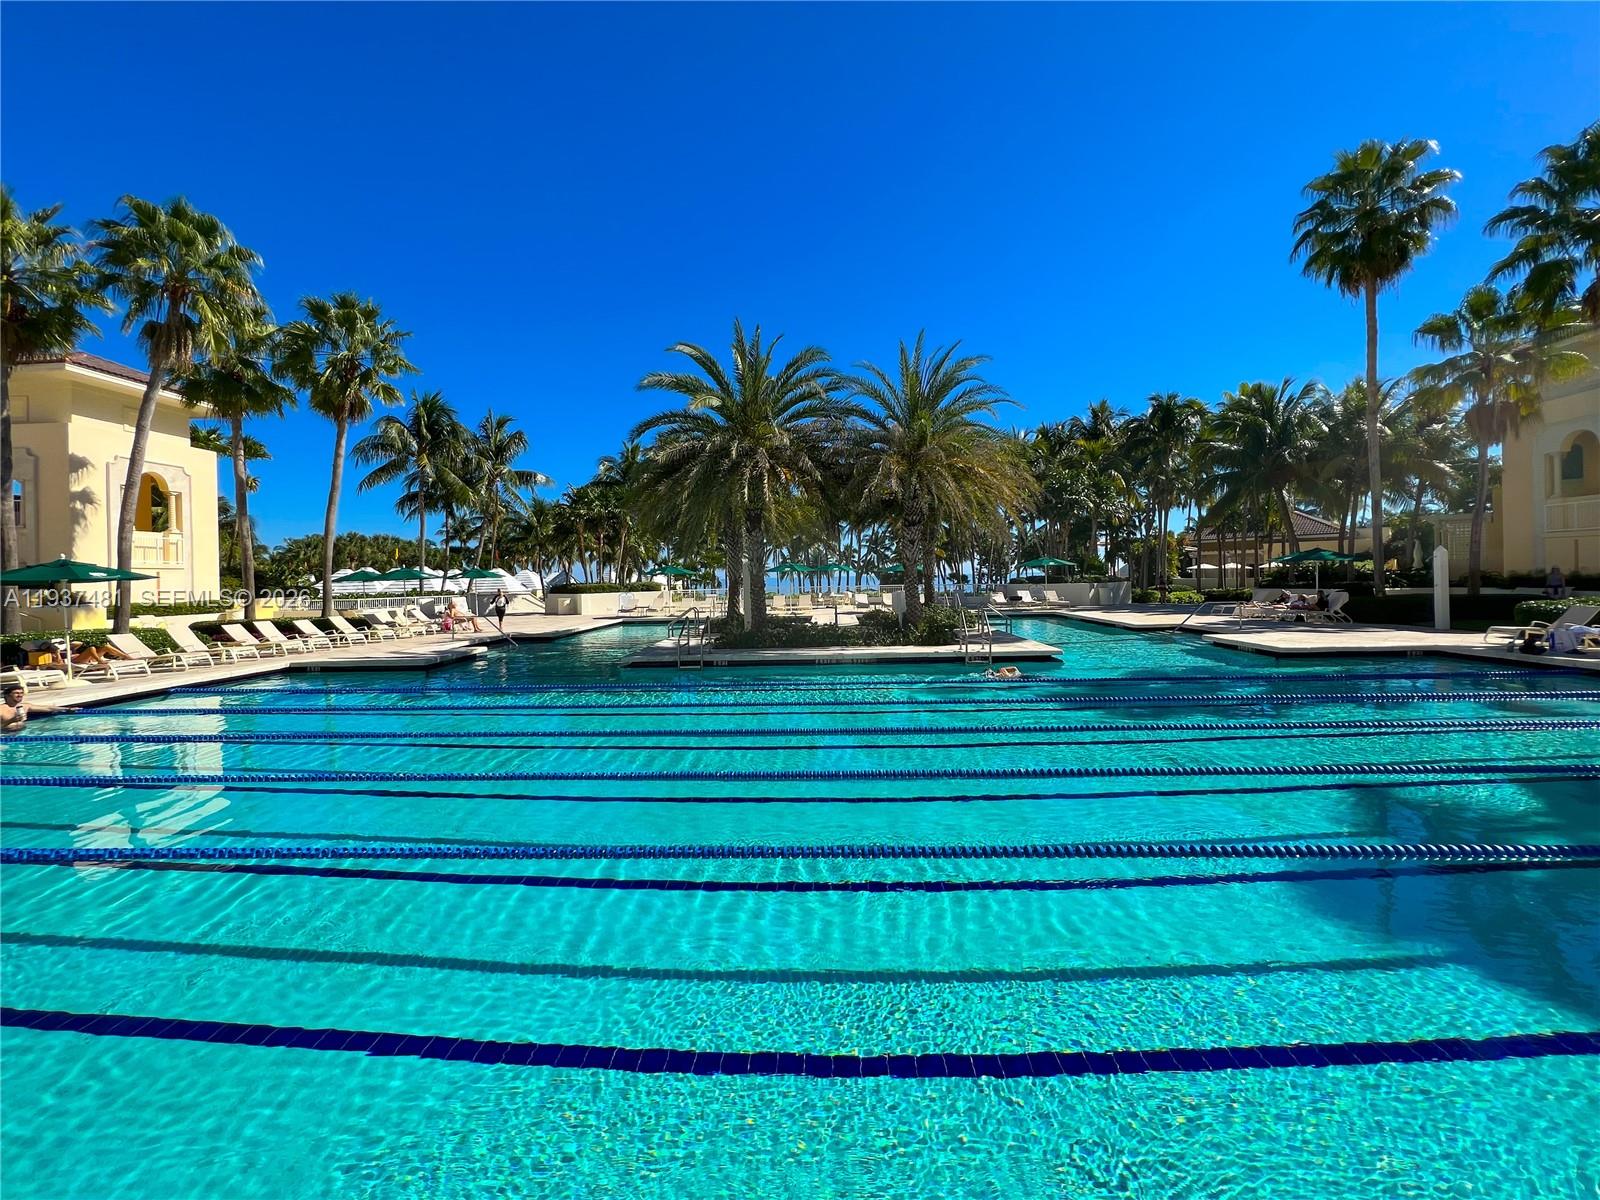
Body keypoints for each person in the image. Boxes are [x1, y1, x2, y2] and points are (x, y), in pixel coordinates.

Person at [1, 683, 71, 734]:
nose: (20, 695)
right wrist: (11, 720)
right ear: (7, 695)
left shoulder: (25, 706)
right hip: (5, 735)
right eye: (16, 693)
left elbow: (48, 708)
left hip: (23, 733)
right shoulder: (1, 709)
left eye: (21, 693)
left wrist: (67, 709)